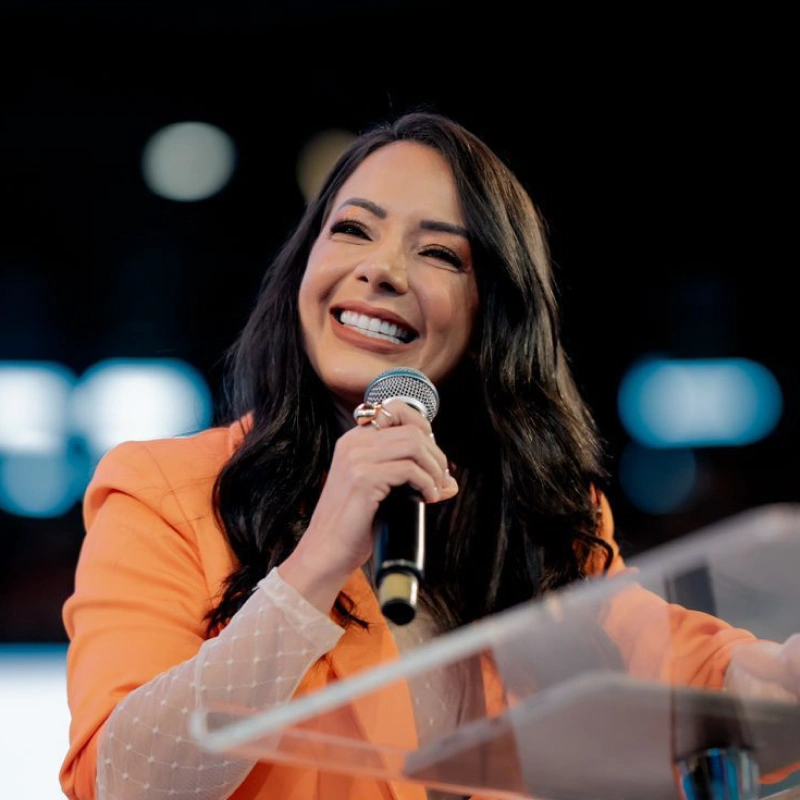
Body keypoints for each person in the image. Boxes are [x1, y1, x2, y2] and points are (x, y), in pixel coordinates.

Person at [59, 110, 800, 800]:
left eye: (440, 252)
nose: (382, 269)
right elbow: (125, 781)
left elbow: (678, 660)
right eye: (353, 229)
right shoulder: (163, 491)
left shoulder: (544, 519)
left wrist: (766, 675)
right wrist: (314, 566)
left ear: (492, 314)